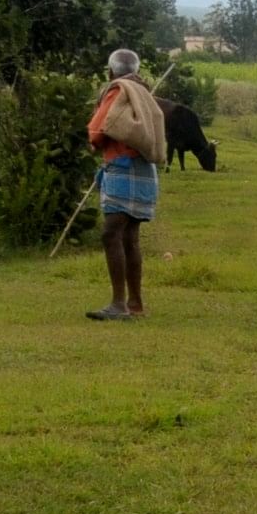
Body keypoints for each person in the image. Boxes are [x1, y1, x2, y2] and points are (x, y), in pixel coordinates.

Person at [86, 48, 169, 320]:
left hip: (122, 167)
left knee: (111, 234)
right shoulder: (143, 91)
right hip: (146, 169)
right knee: (130, 236)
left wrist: (94, 143)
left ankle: (118, 304)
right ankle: (135, 303)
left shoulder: (116, 90)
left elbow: (98, 131)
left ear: (111, 72)